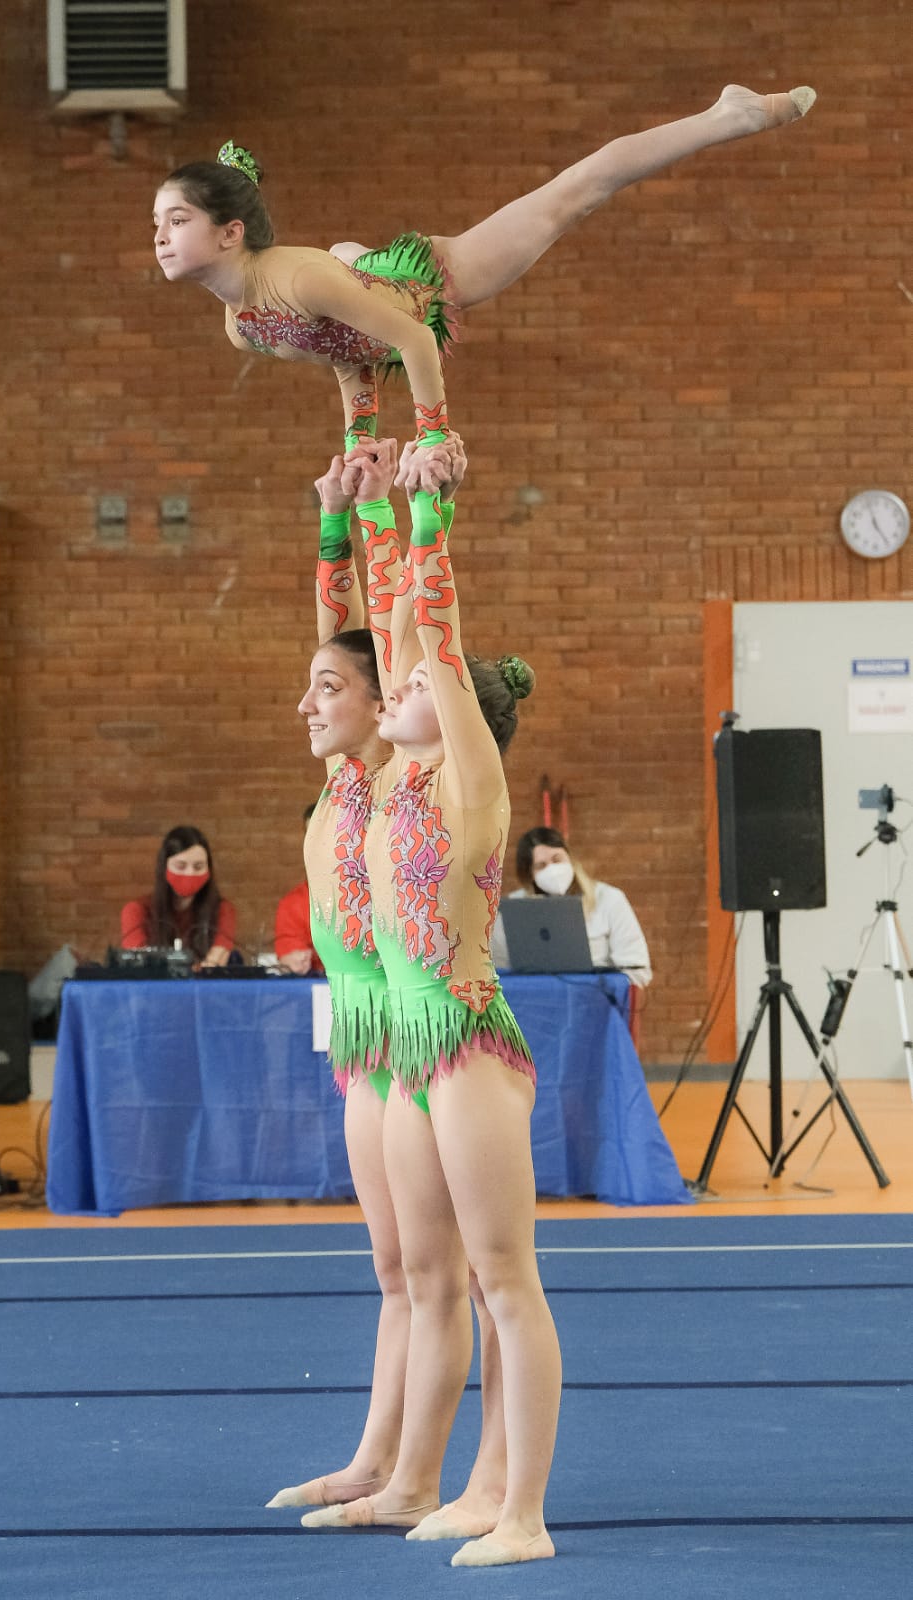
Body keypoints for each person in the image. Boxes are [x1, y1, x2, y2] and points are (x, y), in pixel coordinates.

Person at [301, 441, 559, 1568]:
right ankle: (454, 1482)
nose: (394, 684)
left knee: (505, 1281)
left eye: (407, 687)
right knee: (427, 1272)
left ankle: (524, 1511)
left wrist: (426, 499)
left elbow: (428, 633)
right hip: (401, 1041)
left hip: (464, 1037)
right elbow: (378, 635)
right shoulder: (378, 780)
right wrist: (347, 513)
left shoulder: (467, 782)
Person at [268, 435, 511, 1522]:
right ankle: (378, 1458)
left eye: (332, 690)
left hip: (422, 1025)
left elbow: (390, 626)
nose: (312, 701)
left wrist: (407, 516)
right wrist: (336, 507)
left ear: (378, 708)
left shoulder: (390, 768)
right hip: (365, 1030)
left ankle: (422, 1475)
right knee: (394, 1269)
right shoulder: (341, 771)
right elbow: (344, 635)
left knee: (440, 1267)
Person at [153, 84, 815, 480]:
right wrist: (358, 442)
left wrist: (433, 431)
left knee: (574, 194)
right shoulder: (243, 328)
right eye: (156, 220)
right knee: (347, 266)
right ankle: (351, 255)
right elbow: (346, 352)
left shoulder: (294, 279)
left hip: (434, 280)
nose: (158, 235)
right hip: (361, 280)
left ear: (230, 232)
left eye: (176, 219)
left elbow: (412, 337)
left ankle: (732, 114)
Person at [492, 825, 653, 985]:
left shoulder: (609, 899)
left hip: (595, 1002)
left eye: (557, 859)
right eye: (541, 865)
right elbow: (497, 970)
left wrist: (602, 984)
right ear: (530, 875)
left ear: (570, 858)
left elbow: (637, 969)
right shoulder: (514, 909)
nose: (552, 869)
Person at [120, 825, 236, 967]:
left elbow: (216, 962)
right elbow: (139, 963)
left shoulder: (223, 910)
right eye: (181, 866)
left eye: (198, 867)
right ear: (164, 867)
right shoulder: (136, 910)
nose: (190, 873)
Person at [273, 805, 324, 975]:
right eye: (311, 836)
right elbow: (293, 955)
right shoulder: (292, 905)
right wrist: (294, 959)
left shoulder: (381, 897)